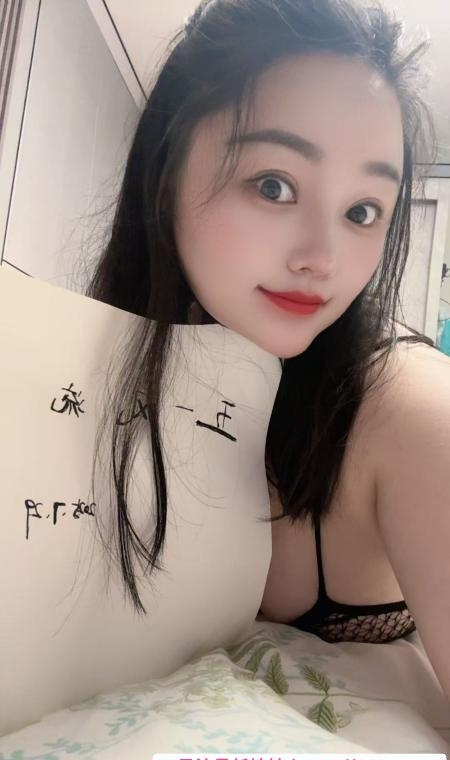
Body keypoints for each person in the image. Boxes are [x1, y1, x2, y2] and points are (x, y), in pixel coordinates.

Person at [87, 0, 450, 700]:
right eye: (274, 186)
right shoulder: (83, 370)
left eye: (363, 211)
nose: (323, 258)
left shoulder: (412, 409)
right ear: (164, 178)